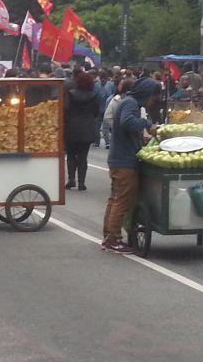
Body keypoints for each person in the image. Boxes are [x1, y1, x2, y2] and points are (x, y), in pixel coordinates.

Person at [102, 77, 161, 253]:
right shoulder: (131, 104)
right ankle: (113, 238)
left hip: (118, 158)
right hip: (124, 160)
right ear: (147, 93)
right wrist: (147, 124)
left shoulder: (129, 102)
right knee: (122, 200)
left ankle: (108, 235)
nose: (152, 101)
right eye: (152, 97)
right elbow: (127, 123)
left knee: (115, 199)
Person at [64, 72, 99, 191]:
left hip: (72, 127)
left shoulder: (71, 94)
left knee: (71, 155)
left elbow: (66, 109)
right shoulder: (94, 96)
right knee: (83, 156)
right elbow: (96, 112)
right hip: (87, 128)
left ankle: (71, 179)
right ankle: (81, 182)